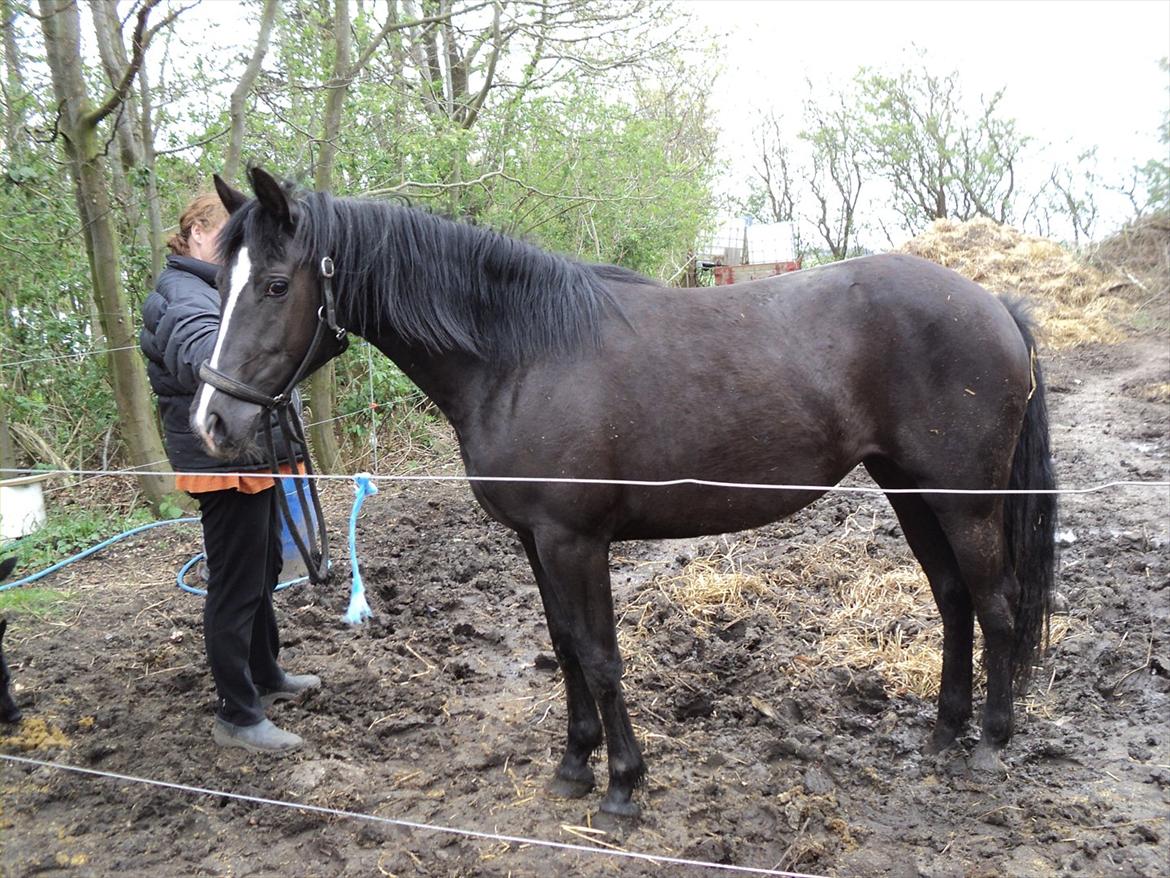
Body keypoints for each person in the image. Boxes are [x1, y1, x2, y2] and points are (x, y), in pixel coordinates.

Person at [139, 192, 319, 754]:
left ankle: (266, 674)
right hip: (223, 457)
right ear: (194, 232)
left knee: (263, 566)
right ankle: (236, 713)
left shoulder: (220, 284)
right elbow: (202, 351)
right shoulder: (182, 293)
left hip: (255, 453)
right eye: (224, 232)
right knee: (235, 585)